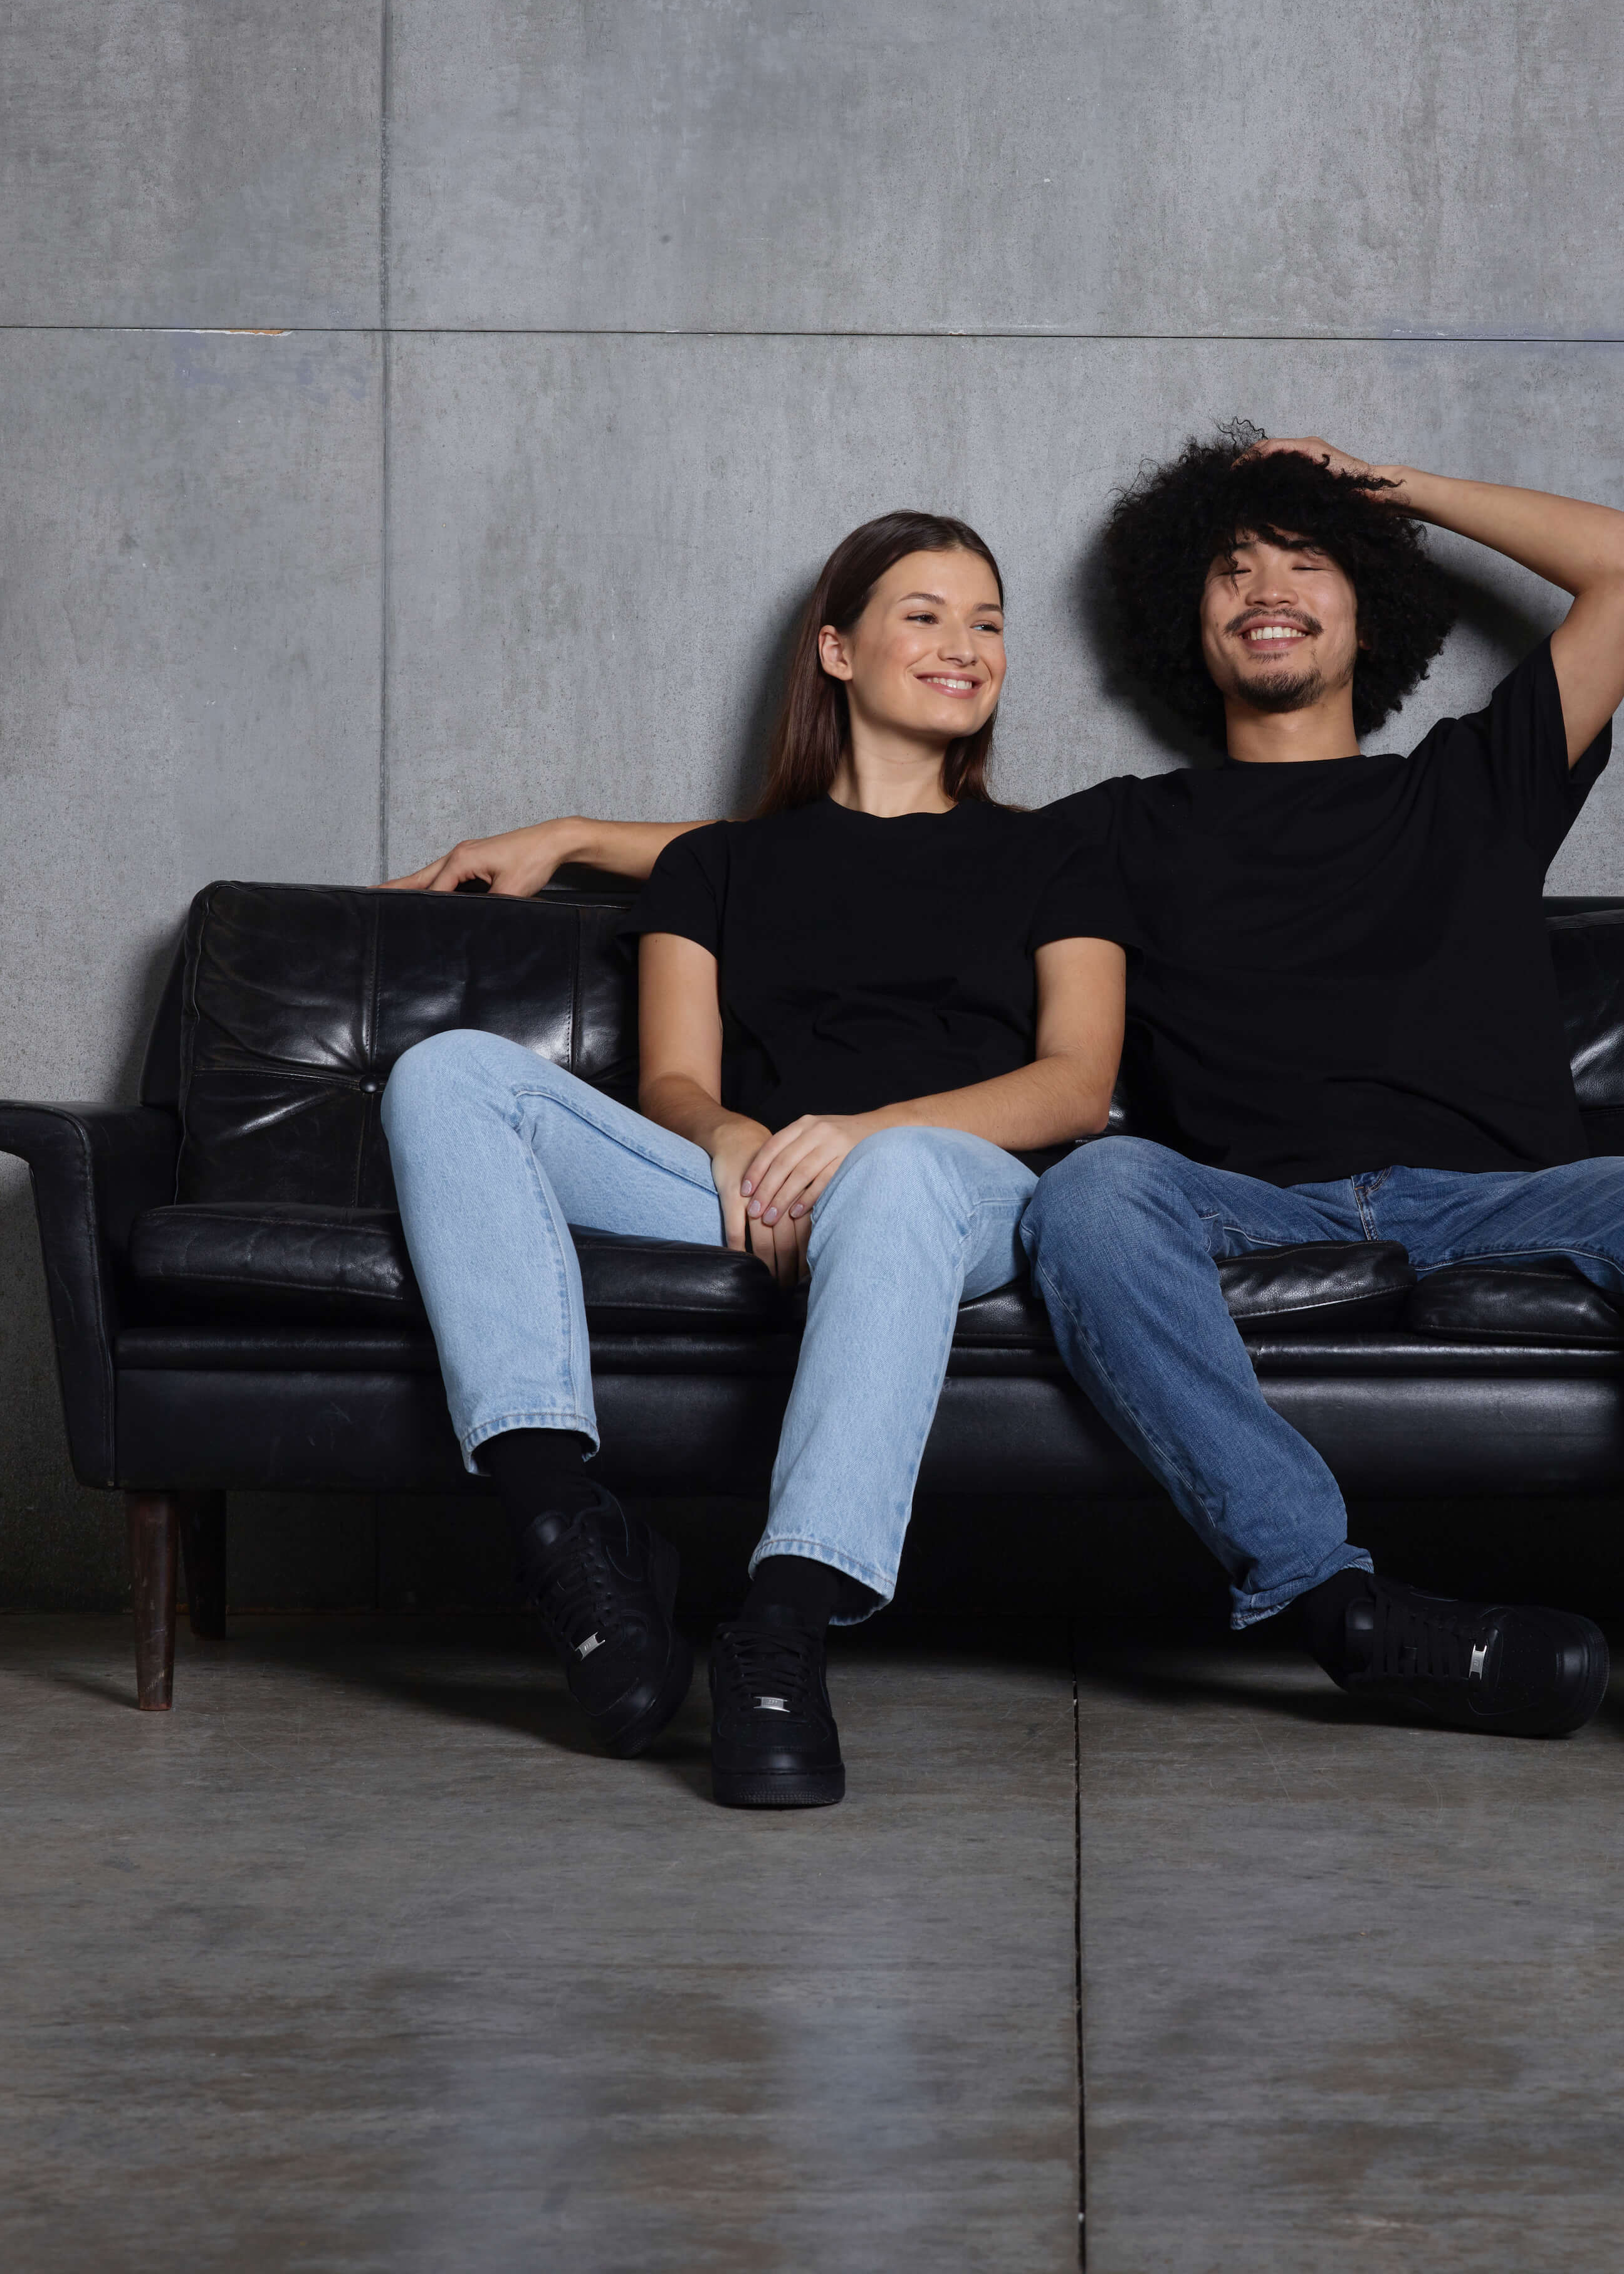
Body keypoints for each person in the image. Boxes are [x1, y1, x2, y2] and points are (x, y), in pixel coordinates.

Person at [1021, 424, 1624, 1782]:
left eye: (1305, 556)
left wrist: (1378, 489)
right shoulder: (1114, 827)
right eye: (1229, 566)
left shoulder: (1476, 781)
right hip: (1251, 1205)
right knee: (1090, 1191)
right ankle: (1333, 1597)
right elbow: (888, 863)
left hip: (1496, 1197)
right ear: (1188, 613)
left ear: (1368, 604)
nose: (1265, 585)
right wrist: (616, 851)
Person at [379, 512, 1125, 1809]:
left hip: (958, 1189)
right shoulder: (714, 865)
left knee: (895, 1180)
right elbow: (671, 1079)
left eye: (990, 621)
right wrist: (733, 1141)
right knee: (447, 1073)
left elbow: (1075, 1085)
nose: (967, 645)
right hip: (756, 1187)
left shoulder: (1057, 854)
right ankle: (567, 1529)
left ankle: (781, 1624)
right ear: (836, 648)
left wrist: (866, 1136)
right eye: (927, 614)